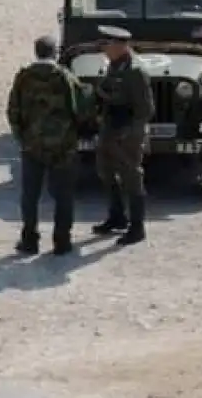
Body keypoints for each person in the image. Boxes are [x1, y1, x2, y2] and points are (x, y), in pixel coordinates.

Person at [6, 35, 85, 256]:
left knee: (30, 195)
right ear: (55, 52)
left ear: (36, 51)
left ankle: (30, 240)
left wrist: (21, 136)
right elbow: (80, 108)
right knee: (64, 195)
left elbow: (13, 110)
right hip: (63, 145)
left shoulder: (24, 77)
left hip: (32, 144)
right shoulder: (65, 77)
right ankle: (62, 241)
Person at [91, 24, 154, 246]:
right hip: (111, 126)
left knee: (131, 177)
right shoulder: (114, 65)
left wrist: (132, 136)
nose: (103, 47)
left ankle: (137, 227)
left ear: (120, 45)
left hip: (128, 131)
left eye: (106, 43)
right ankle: (117, 217)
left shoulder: (135, 70)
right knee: (105, 170)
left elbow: (145, 109)